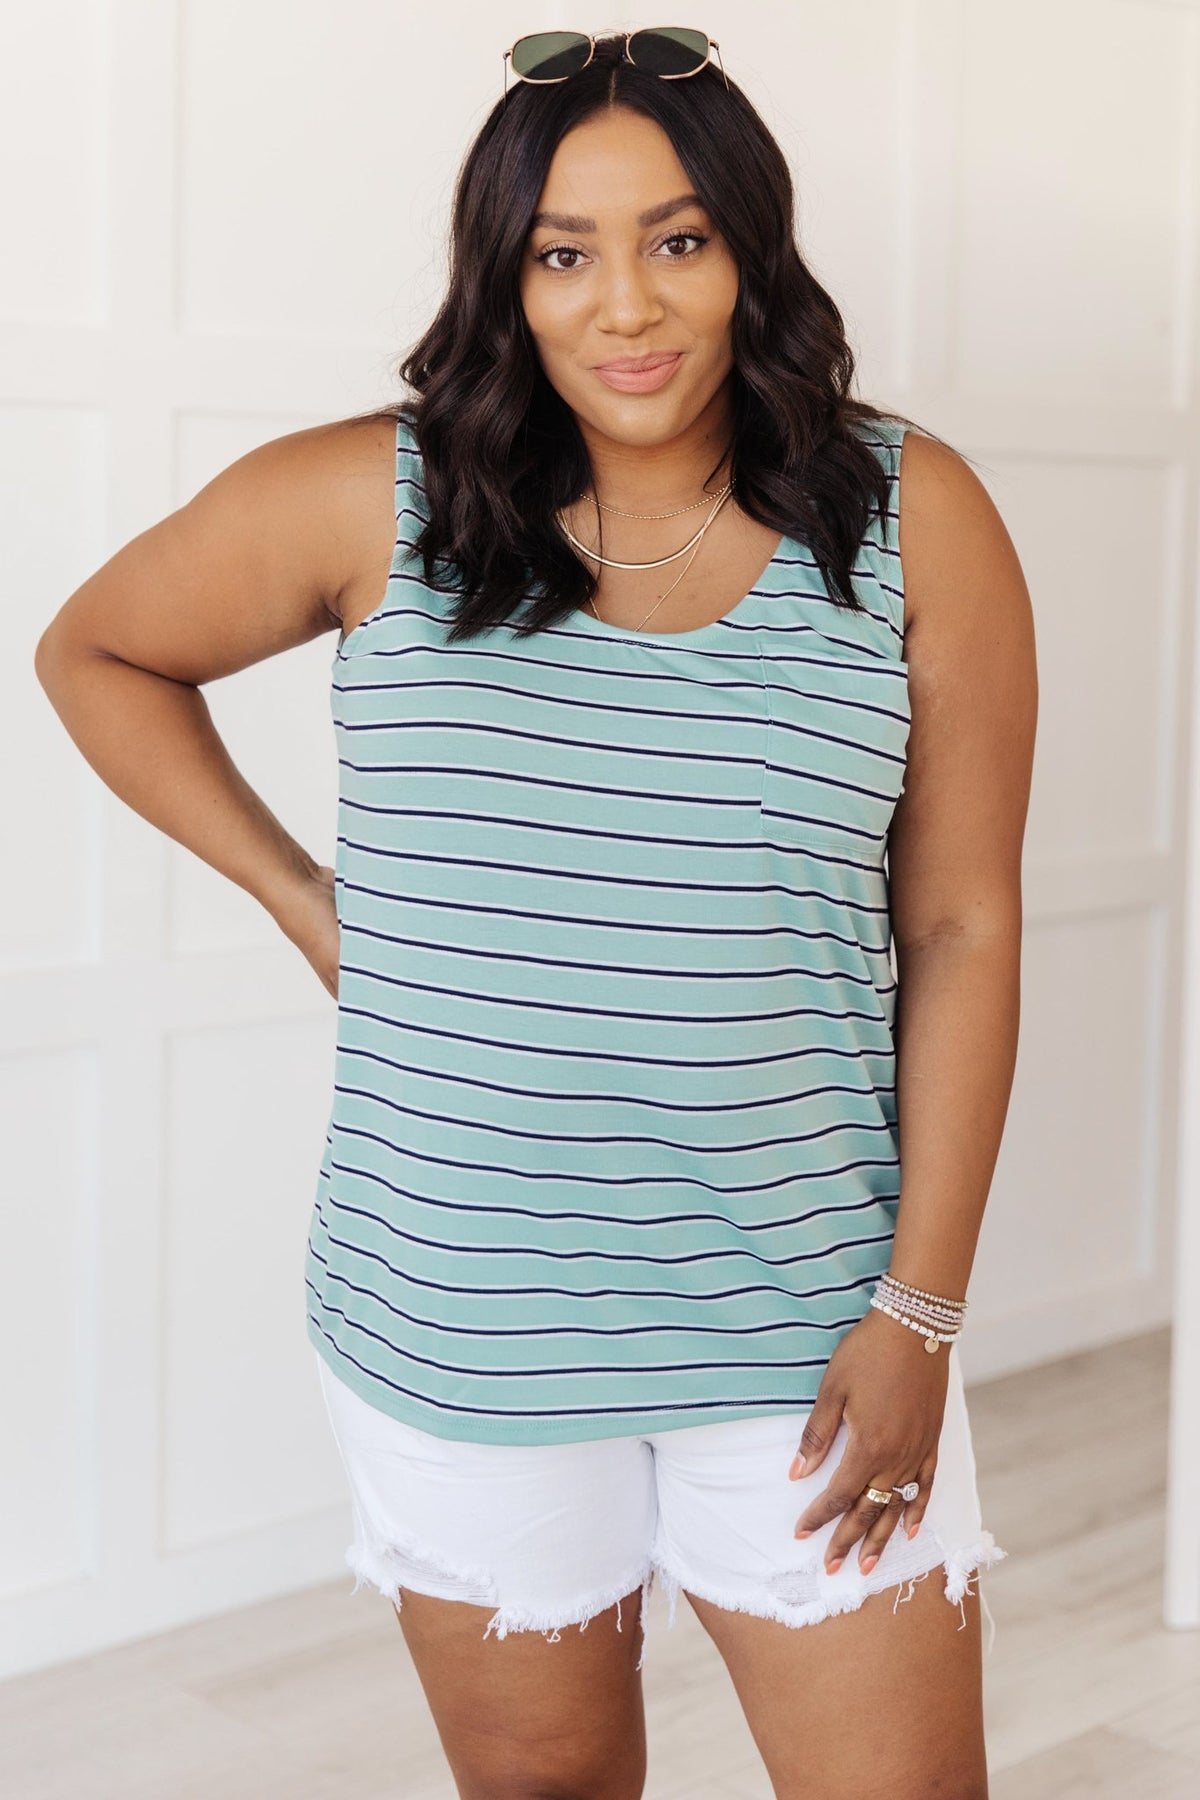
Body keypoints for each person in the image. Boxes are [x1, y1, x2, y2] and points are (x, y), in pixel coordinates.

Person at [33, 27, 1037, 1800]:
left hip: (808, 1324)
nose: (624, 305)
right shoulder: (372, 498)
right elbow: (96, 650)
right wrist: (306, 904)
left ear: (750, 251)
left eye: (678, 240)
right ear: (504, 276)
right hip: (458, 1315)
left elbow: (962, 927)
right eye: (563, 253)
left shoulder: (910, 516)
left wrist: (922, 1314)